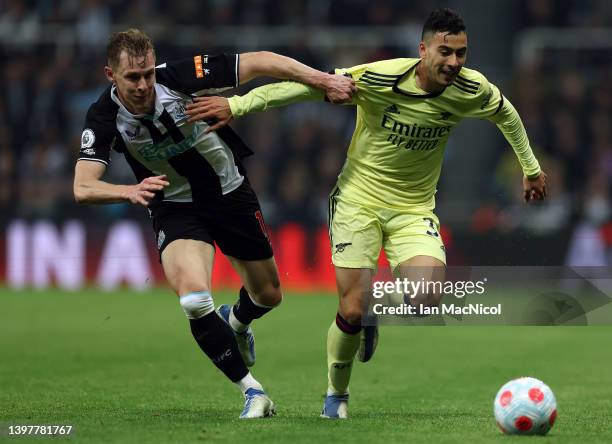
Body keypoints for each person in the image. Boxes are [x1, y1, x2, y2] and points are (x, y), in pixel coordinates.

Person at [184, 8, 547, 419]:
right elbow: (307, 88)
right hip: (358, 202)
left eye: (461, 53)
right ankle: (336, 396)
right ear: (422, 50)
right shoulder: (380, 77)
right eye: (445, 52)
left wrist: (530, 169)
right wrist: (240, 104)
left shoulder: (471, 88)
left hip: (413, 208)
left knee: (426, 296)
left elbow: (506, 114)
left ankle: (375, 307)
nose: (454, 63)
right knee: (350, 310)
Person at [73, 28, 356, 419]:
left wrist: (322, 79)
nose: (143, 85)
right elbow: (83, 187)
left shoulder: (179, 76)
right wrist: (128, 191)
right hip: (175, 208)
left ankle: (236, 320)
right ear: (111, 76)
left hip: (229, 192)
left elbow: (258, 62)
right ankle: (253, 393)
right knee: (192, 298)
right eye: (132, 78)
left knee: (269, 295)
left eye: (148, 74)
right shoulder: (103, 117)